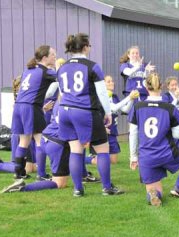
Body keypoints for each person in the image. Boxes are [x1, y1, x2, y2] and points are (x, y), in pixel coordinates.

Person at [57, 33, 123, 197]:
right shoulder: (92, 66)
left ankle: (78, 189)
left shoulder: (62, 67)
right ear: (85, 47)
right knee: (102, 149)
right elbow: (102, 93)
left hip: (65, 110)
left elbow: (61, 92)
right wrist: (108, 112)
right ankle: (107, 187)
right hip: (85, 110)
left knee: (75, 150)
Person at [128, 72, 179, 206]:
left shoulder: (137, 107)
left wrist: (133, 157)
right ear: (161, 86)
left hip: (146, 157)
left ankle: (153, 194)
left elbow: (132, 133)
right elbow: (177, 135)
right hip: (167, 153)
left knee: (155, 190)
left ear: (146, 87)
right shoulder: (170, 108)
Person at [1, 99, 70, 193]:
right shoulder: (71, 100)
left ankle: (26, 174)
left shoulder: (59, 99)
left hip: (46, 136)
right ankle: (0, 167)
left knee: (30, 167)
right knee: (59, 182)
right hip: (54, 140)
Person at [10, 45, 57, 180]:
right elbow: (63, 76)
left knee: (23, 141)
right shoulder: (46, 71)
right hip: (31, 107)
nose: (55, 57)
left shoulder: (27, 70)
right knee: (40, 141)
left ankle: (19, 173)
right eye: (53, 54)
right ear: (44, 58)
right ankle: (41, 174)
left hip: (18, 106)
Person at [86, 75, 139, 164]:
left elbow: (125, 109)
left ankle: (93, 157)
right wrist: (129, 97)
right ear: (103, 84)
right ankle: (85, 159)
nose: (112, 83)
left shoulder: (114, 97)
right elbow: (113, 108)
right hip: (102, 131)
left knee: (113, 161)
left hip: (112, 131)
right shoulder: (101, 96)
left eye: (112, 81)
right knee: (101, 161)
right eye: (108, 81)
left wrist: (132, 100)